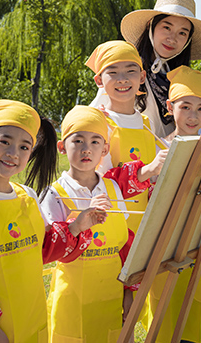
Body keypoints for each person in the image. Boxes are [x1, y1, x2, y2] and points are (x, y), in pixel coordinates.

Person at [0, 99, 106, 343]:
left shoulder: (28, 196)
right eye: (5, 141)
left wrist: (77, 226)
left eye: (24, 147)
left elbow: (42, 249)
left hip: (35, 319)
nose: (13, 153)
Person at [148, 66, 201, 343]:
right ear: (169, 106)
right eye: (185, 107)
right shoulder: (157, 150)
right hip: (162, 249)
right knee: (163, 319)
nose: (193, 116)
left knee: (195, 321)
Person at [40, 105, 133, 343]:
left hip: (110, 296)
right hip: (73, 300)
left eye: (95, 142)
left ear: (105, 149)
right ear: (62, 147)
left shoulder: (112, 188)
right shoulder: (55, 194)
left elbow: (124, 243)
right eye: (78, 140)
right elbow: (50, 251)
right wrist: (77, 225)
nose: (86, 149)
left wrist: (129, 290)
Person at [92, 0, 201, 138]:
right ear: (150, 26)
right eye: (167, 27)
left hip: (171, 155)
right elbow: (94, 121)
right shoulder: (127, 71)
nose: (172, 38)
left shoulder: (183, 78)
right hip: (129, 156)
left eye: (182, 33)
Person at [85, 40, 168, 234]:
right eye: (112, 72)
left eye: (130, 71)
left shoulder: (146, 122)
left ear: (142, 77)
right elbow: (95, 180)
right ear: (99, 81)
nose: (122, 79)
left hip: (145, 221)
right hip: (111, 225)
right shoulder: (99, 123)